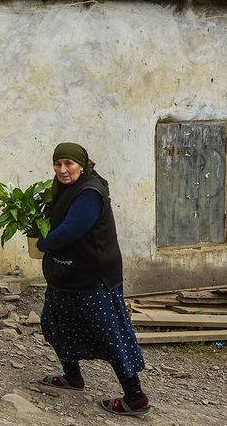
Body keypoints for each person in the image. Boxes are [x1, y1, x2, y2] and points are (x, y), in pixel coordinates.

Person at [35, 142, 151, 416]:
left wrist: (43, 243)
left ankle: (135, 397)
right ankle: (72, 377)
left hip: (93, 276)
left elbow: (70, 230)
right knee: (55, 323)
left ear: (82, 165)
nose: (62, 170)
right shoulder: (63, 187)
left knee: (109, 334)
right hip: (67, 273)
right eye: (58, 163)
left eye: (69, 164)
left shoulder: (89, 193)